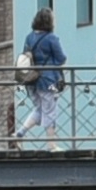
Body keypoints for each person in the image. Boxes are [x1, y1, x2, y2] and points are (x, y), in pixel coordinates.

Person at [23, 8, 67, 144]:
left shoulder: (29, 37)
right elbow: (61, 58)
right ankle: (51, 145)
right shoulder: (51, 38)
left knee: (40, 109)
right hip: (48, 79)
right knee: (50, 110)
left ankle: (20, 133)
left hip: (31, 80)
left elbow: (25, 56)